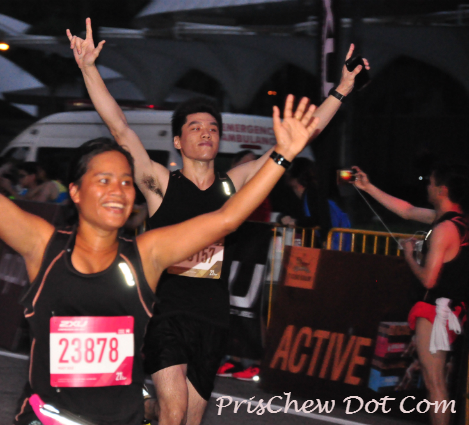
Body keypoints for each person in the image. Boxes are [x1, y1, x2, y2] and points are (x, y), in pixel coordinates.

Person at [0, 47, 318, 425]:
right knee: (172, 409)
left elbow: (227, 218)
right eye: (104, 180)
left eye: (127, 181)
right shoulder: (43, 246)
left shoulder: (148, 255)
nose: (118, 190)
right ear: (75, 191)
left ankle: (148, 407)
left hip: (123, 415)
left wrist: (283, 153)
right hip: (50, 418)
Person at [67, 18, 369, 425]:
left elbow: (298, 141)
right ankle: (154, 407)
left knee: (186, 419)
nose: (206, 132)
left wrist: (342, 89)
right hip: (164, 310)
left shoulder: (233, 184)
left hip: (212, 315)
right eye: (195, 127)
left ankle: (143, 407)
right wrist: (89, 68)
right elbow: (120, 128)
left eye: (212, 127)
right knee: (174, 413)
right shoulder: (159, 183)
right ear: (178, 141)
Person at [353, 164, 469, 425]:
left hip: (436, 311)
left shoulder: (443, 229)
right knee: (438, 382)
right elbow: (406, 210)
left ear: (441, 190)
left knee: (435, 384)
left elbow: (429, 279)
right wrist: (368, 187)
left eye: (430, 183)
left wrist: (409, 256)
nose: (427, 186)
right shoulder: (456, 222)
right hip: (453, 309)